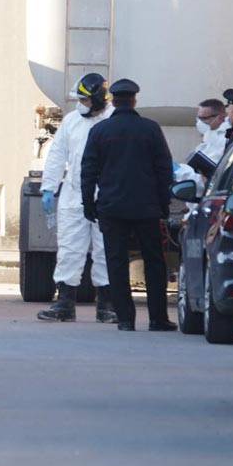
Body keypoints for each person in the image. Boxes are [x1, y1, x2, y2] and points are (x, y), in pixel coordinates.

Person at [80, 78, 176, 332]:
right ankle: (158, 318)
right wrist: (164, 204)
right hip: (146, 206)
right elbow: (164, 169)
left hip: (112, 207)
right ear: (134, 100)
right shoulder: (150, 129)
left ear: (113, 100)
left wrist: (88, 204)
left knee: (116, 261)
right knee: (154, 262)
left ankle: (125, 319)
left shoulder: (99, 131)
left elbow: (88, 171)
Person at [37, 73, 117, 323]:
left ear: (97, 99)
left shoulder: (114, 120)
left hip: (106, 194)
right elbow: (57, 154)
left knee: (106, 249)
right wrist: (49, 187)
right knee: (70, 248)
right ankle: (65, 303)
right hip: (74, 194)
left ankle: (107, 305)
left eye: (84, 99)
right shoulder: (72, 121)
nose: (80, 104)